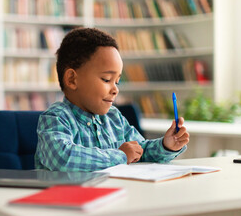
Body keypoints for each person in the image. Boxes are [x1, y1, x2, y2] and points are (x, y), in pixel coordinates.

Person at [34, 28, 190, 172]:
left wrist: (167, 145)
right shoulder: (56, 117)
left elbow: (139, 150)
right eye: (107, 79)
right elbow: (62, 158)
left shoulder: (114, 117)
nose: (115, 89)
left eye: (117, 81)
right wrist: (120, 156)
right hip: (68, 199)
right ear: (72, 79)